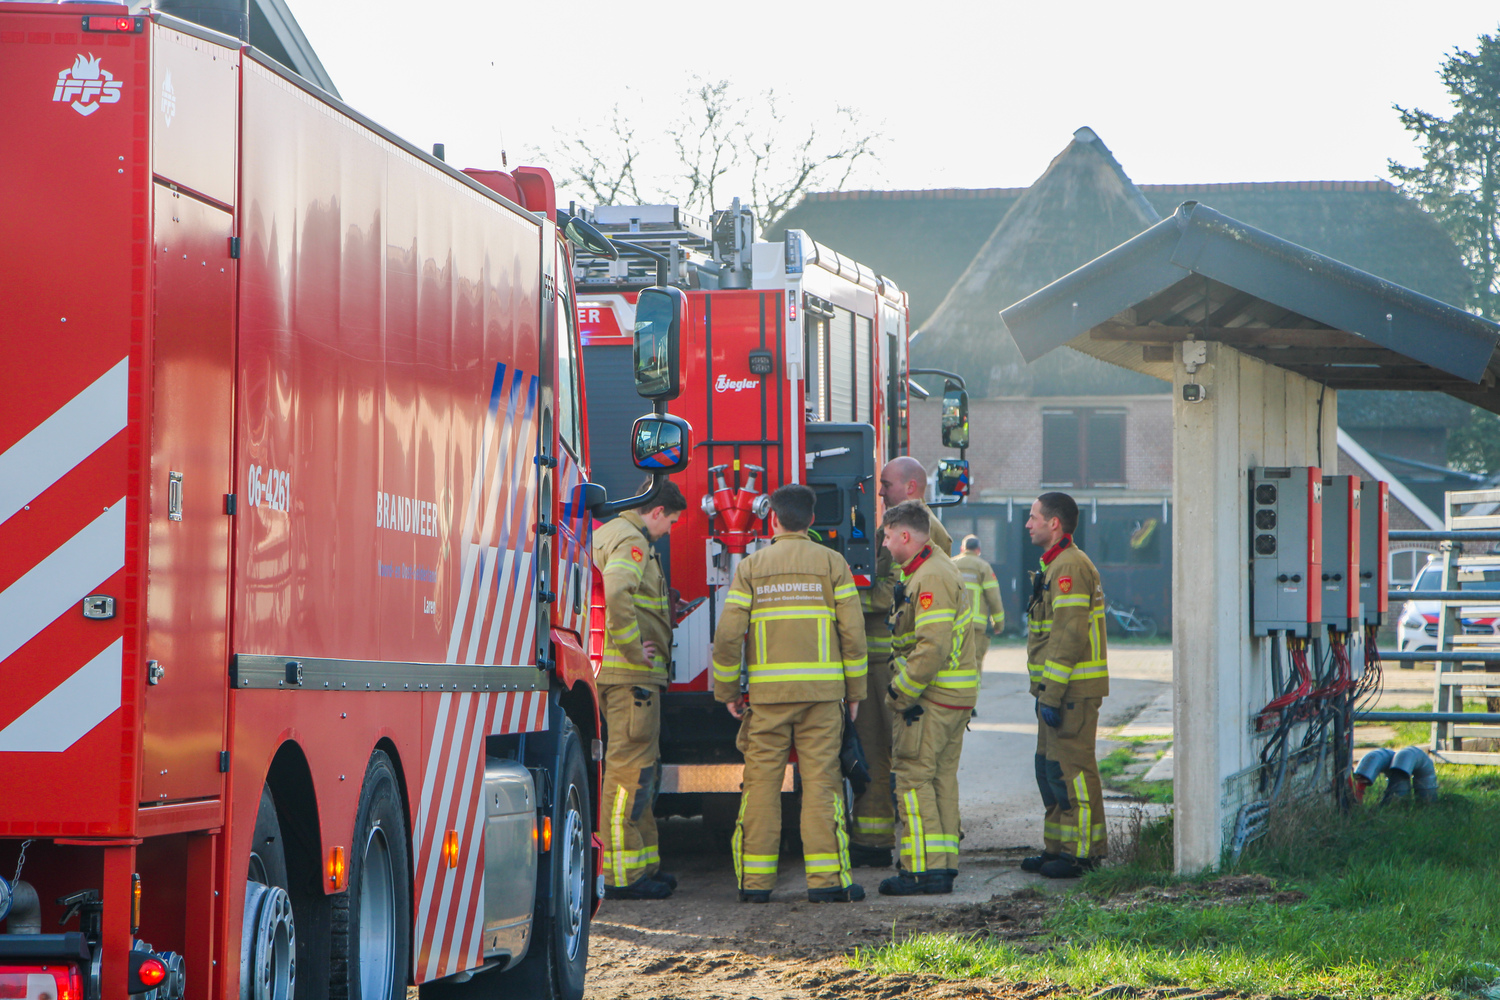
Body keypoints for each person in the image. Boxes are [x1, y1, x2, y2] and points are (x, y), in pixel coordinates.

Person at [711, 484, 868, 903]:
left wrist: (727, 689)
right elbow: (853, 633)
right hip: (822, 697)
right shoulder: (833, 564)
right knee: (822, 783)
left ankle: (755, 884)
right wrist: (855, 691)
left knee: (760, 785)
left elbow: (728, 635)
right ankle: (828, 883)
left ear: (772, 520)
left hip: (767, 699)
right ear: (812, 521)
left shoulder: (751, 567)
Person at [847, 457, 955, 868]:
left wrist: (840, 601)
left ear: (911, 487)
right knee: (875, 749)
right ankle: (872, 840)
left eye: (886, 484)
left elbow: (890, 594)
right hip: (882, 660)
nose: (879, 491)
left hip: (899, 664)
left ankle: (922, 853)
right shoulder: (898, 525)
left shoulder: (917, 534)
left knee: (908, 761)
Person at [878, 500, 976, 896]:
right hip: (951, 697)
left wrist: (900, 692)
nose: (884, 544)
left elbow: (932, 647)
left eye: (887, 536)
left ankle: (920, 870)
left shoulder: (931, 576)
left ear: (905, 536)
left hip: (930, 699)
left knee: (914, 780)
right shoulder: (931, 568)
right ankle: (942, 866)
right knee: (940, 781)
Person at [595, 478, 687, 900]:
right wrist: (635, 650)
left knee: (641, 770)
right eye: (670, 520)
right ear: (655, 512)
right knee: (628, 774)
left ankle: (643, 865)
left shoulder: (614, 534)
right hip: (630, 679)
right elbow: (617, 591)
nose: (669, 529)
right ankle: (620, 875)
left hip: (625, 679)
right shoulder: (632, 541)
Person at [1022, 492, 1110, 879]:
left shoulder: (1069, 567)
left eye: (1033, 517)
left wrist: (1052, 692)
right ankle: (1058, 848)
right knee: (1050, 770)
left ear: (1053, 523)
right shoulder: (1057, 564)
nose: (1028, 524)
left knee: (1072, 771)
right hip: (1055, 692)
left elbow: (1069, 636)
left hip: (1070, 692)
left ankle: (1085, 855)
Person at [953, 535, 1006, 670]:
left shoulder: (950, 565)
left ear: (961, 549)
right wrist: (998, 624)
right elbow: (994, 598)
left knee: (952, 661)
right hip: (975, 626)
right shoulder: (983, 567)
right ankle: (972, 689)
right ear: (978, 550)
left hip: (953, 624)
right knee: (974, 662)